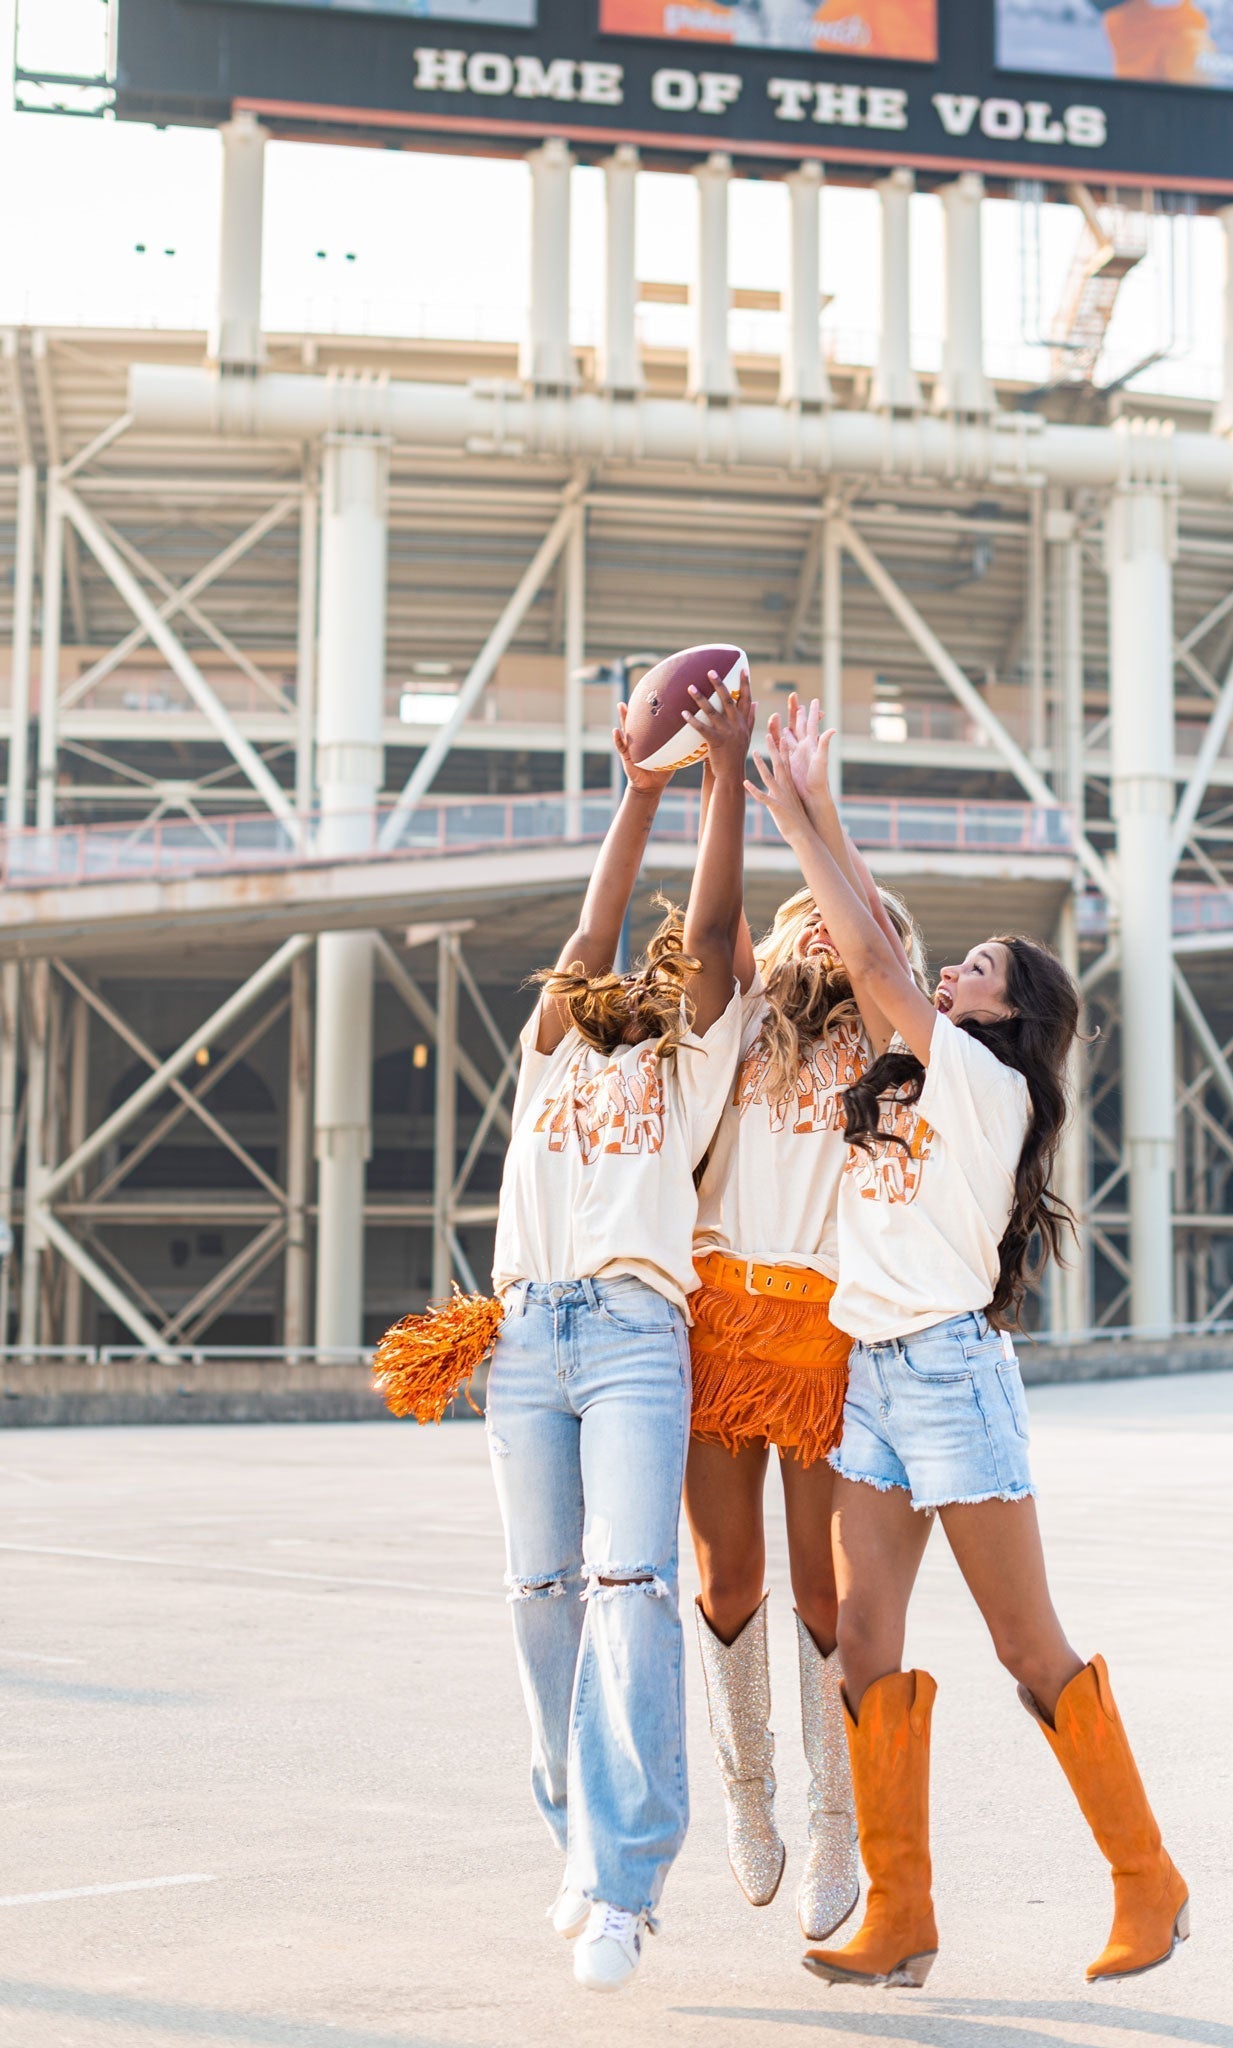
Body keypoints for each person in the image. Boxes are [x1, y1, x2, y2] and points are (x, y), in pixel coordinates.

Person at [748, 723, 1189, 1992]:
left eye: (979, 966)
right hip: (872, 1378)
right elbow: (881, 949)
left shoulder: (986, 1090)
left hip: (949, 1377)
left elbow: (874, 951)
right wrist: (820, 818)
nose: (952, 969)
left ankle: (1147, 1880)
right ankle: (901, 1911)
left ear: (1013, 1014)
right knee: (865, 1643)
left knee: (1026, 1645)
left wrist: (805, 813)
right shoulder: (917, 1077)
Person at [484, 672, 754, 1994]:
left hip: (642, 1331)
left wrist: (718, 782)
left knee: (631, 1590)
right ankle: (571, 1809)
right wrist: (636, 790)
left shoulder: (691, 1064)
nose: (655, 976)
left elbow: (709, 930)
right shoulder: (554, 1044)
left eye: (679, 979)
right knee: (541, 1600)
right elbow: (596, 926)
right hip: (527, 1332)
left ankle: (624, 1882)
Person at [684, 698, 924, 1945]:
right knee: (727, 1575)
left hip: (835, 1336)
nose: (812, 939)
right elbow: (719, 929)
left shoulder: (888, 1051)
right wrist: (732, 783)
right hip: (722, 1321)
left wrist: (818, 816)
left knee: (832, 1599)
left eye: (824, 921)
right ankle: (747, 1785)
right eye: (802, 928)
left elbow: (878, 939)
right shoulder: (734, 1031)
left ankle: (836, 1815)